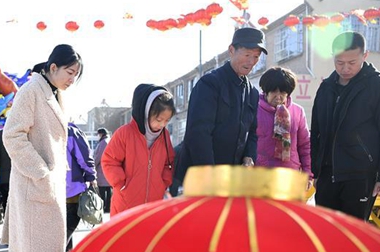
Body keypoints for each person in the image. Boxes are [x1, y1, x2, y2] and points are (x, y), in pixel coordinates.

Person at [2, 43, 83, 252]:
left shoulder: (54, 93)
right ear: (53, 68)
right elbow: (12, 135)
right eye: (69, 72)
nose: (72, 79)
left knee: (32, 246)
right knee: (40, 247)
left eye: (76, 75)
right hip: (34, 180)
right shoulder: (31, 91)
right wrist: (40, 171)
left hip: (44, 182)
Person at [311, 31, 380, 220]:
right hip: (327, 175)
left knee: (353, 237)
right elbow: (316, 132)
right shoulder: (326, 87)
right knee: (326, 233)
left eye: (352, 63)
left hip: (360, 175)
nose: (345, 68)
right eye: (339, 62)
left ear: (365, 55)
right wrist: (315, 169)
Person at [174, 27, 266, 187]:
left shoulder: (252, 92)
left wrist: (249, 157)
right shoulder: (210, 84)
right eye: (247, 55)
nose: (251, 61)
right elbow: (198, 133)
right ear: (231, 50)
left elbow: (252, 132)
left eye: (256, 57)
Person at [102, 84, 175, 216]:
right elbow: (109, 161)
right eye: (159, 119)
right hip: (125, 204)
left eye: (167, 120)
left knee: (150, 236)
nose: (162, 124)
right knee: (124, 236)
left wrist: (163, 183)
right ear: (146, 112)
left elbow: (169, 163)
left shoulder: (165, 136)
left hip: (153, 205)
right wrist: (121, 184)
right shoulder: (125, 133)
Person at [256, 67, 312, 188]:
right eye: (274, 92)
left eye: (283, 92)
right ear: (265, 91)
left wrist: (307, 173)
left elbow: (305, 145)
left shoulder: (298, 111)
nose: (278, 96)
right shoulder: (254, 110)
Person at [66, 123, 96, 252]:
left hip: (46, 188)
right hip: (72, 186)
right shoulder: (71, 131)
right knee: (70, 222)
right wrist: (91, 176)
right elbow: (84, 157)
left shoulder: (37, 128)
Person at [93, 127, 112, 213]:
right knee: (109, 190)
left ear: (101, 134)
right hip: (109, 169)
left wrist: (93, 166)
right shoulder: (109, 140)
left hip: (102, 170)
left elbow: (98, 156)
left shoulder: (103, 143)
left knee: (102, 190)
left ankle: (103, 207)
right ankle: (108, 207)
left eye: (98, 134)